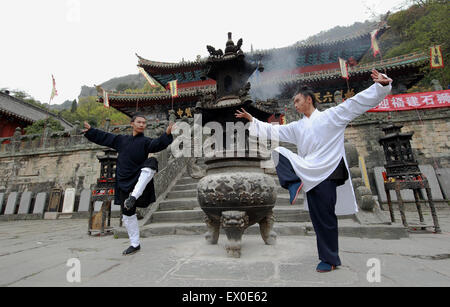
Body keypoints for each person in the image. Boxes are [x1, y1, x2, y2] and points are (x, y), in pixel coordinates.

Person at [236, 69, 392, 272]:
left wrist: (381, 86)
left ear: (308, 100)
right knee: (279, 152)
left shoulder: (332, 116)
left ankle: (329, 259)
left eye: (297, 100)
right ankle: (293, 182)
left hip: (328, 172)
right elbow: (276, 131)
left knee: (326, 217)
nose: (295, 104)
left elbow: (356, 103)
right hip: (309, 173)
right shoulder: (297, 127)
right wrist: (253, 121)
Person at [83, 114, 174, 255]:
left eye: (144, 123)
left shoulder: (146, 142)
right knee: (127, 214)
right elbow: (105, 137)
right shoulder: (121, 140)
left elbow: (157, 144)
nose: (142, 124)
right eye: (139, 122)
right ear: (132, 123)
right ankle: (135, 243)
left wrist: (167, 134)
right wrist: (91, 131)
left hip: (139, 179)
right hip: (124, 179)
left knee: (152, 162)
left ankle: (134, 196)